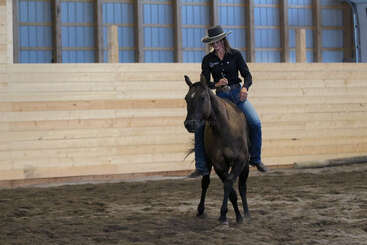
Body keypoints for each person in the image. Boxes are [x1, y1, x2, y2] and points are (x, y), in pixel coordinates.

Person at [188, 25, 267, 178]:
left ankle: (256, 159)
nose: (215, 45)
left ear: (223, 40)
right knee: (200, 126)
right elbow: (205, 83)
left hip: (237, 94)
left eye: (217, 41)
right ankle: (201, 166)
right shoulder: (207, 60)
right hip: (219, 98)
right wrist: (215, 85)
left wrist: (245, 88)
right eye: (213, 42)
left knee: (255, 122)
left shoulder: (235, 55)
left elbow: (247, 75)